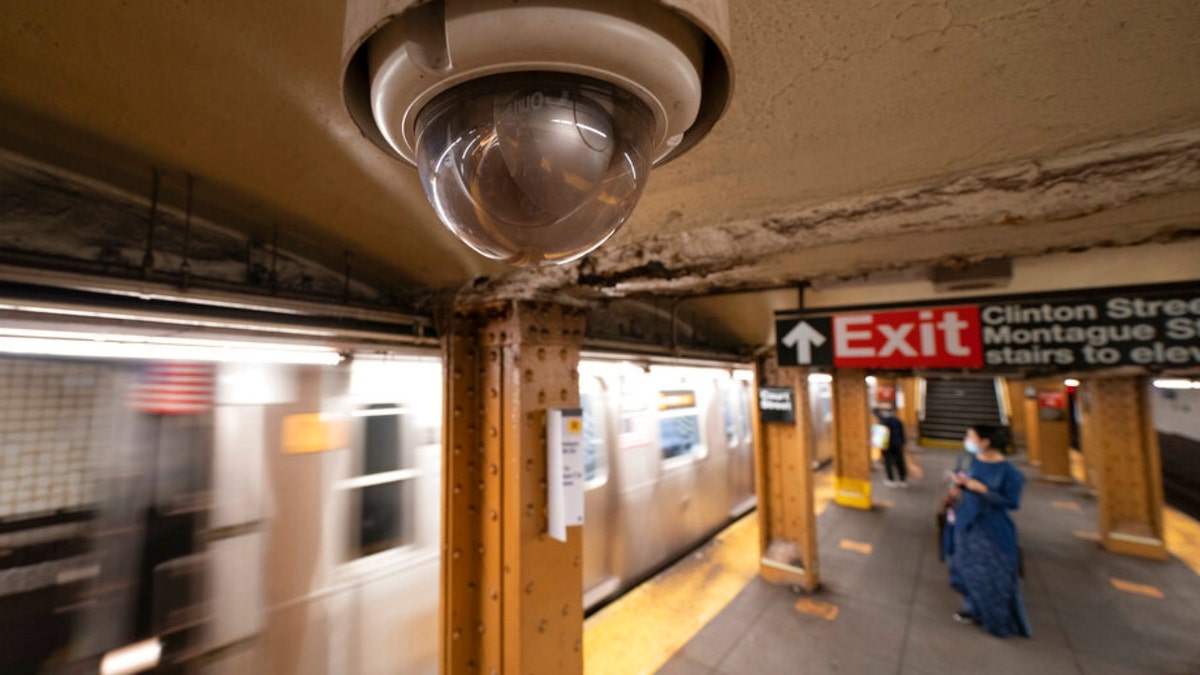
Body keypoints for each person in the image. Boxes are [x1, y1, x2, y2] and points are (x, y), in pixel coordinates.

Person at [945, 423, 1031, 638]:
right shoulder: (970, 460)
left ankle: (997, 621)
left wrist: (984, 490)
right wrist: (960, 484)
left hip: (992, 529)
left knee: (992, 576)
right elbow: (964, 483)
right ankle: (972, 608)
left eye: (971, 436)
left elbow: (1012, 503)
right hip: (966, 521)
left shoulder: (1010, 473)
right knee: (965, 568)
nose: (967, 439)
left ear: (985, 442)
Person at [873, 407, 907, 487]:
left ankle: (891, 479)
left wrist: (875, 411)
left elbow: (878, 418)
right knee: (899, 462)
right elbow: (902, 434)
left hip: (887, 445)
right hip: (898, 444)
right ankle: (903, 479)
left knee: (888, 462)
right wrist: (902, 443)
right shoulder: (899, 422)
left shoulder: (884, 422)